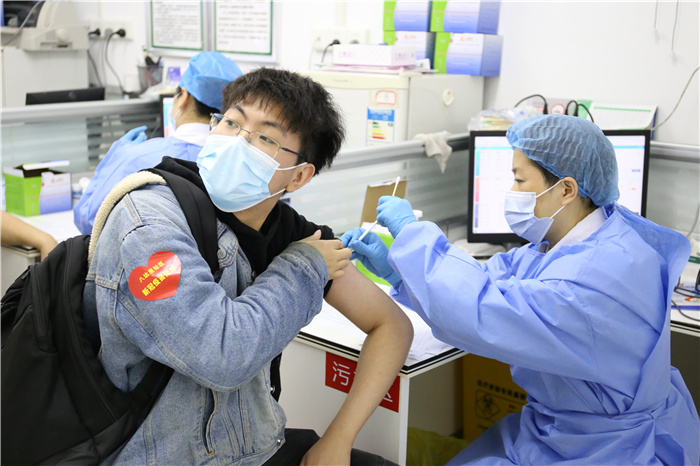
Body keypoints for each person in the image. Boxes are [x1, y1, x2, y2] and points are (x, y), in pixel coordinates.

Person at [84, 67, 413, 465]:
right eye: (231, 122)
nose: (239, 141)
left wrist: (338, 440)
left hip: (246, 447)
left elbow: (392, 326)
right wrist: (304, 267)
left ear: (299, 176)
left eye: (265, 138)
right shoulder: (149, 222)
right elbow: (220, 356)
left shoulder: (285, 230)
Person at [342, 114, 700, 465]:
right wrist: (400, 271)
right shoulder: (579, 239)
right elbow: (489, 281)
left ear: (567, 190)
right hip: (561, 428)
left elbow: (482, 310)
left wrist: (413, 236)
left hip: (607, 447)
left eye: (519, 179)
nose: (512, 192)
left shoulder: (593, 278)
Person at [73, 51, 243, 235]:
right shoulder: (239, 163)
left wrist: (113, 159)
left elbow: (90, 221)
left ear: (183, 97)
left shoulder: (136, 157)